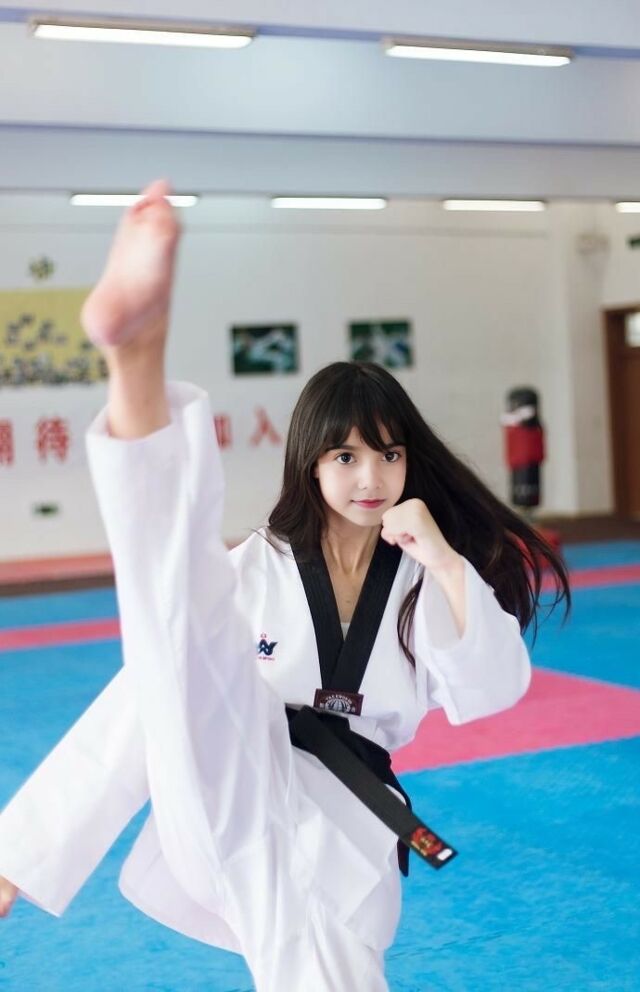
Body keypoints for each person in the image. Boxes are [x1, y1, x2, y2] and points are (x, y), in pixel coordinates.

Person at [0, 181, 570, 991]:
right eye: (346, 456)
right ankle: (137, 367)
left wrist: (446, 559)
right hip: (234, 776)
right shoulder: (261, 565)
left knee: (318, 964)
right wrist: (20, 852)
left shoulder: (421, 574)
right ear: (310, 462)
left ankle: (137, 365)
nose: (370, 477)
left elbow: (491, 689)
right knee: (180, 633)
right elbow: (150, 694)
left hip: (347, 819)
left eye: (389, 455)